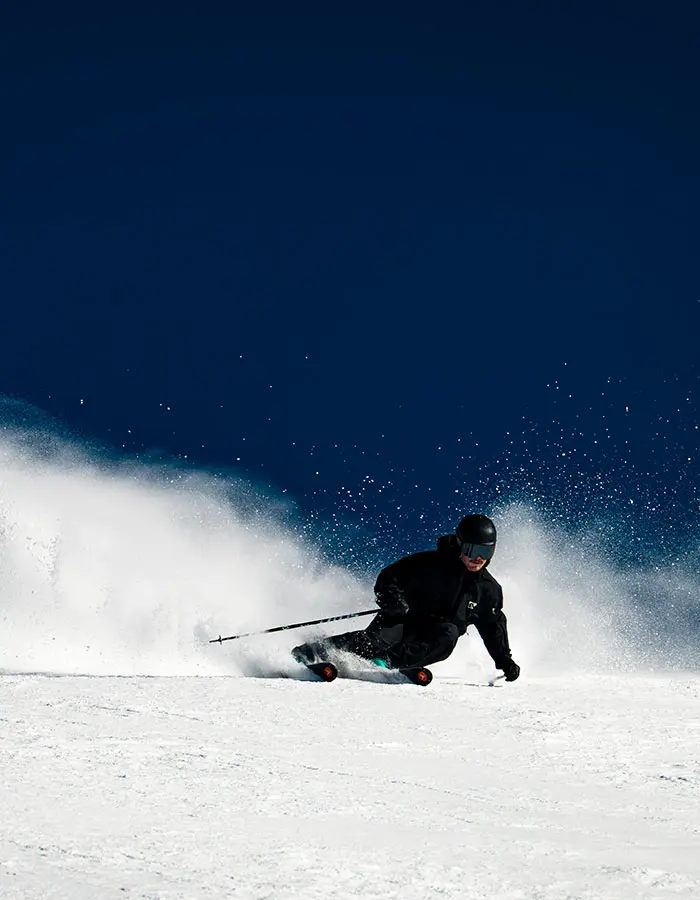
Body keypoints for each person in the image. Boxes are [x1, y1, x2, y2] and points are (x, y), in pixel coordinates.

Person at [293, 514, 520, 680]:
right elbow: (390, 576)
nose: (478, 559)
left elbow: (492, 626)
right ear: (460, 544)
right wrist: (392, 601)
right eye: (472, 550)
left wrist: (504, 660)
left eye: (486, 552)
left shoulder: (488, 590)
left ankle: (386, 663)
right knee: (378, 640)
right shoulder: (432, 564)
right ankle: (310, 652)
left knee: (449, 634)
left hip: (431, 637)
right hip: (403, 619)